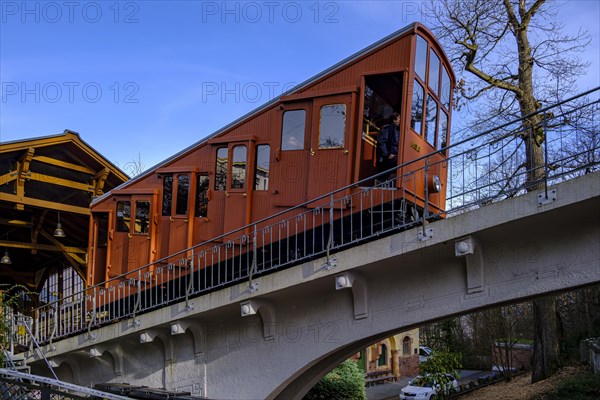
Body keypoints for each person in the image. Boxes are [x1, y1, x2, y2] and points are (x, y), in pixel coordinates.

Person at [376, 112, 401, 182]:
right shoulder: (387, 129)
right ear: (394, 120)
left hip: (395, 156)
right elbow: (381, 142)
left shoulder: (399, 130)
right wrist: (387, 154)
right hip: (388, 158)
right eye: (399, 117)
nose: (400, 119)